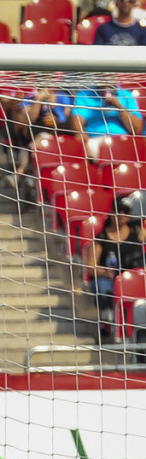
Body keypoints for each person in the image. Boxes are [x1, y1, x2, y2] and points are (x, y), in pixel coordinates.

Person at [86, 194, 146, 339]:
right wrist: (103, 271)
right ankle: (108, 317)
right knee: (101, 287)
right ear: (111, 212)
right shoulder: (101, 238)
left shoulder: (138, 232)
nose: (121, 215)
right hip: (111, 280)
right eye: (118, 211)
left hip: (136, 278)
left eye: (125, 212)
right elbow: (90, 267)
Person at [71, 84, 143, 158]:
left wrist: (119, 107)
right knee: (90, 147)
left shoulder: (126, 95)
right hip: (95, 140)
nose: (105, 76)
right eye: (101, 73)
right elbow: (77, 120)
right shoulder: (85, 95)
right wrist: (80, 132)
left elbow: (137, 129)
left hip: (123, 140)